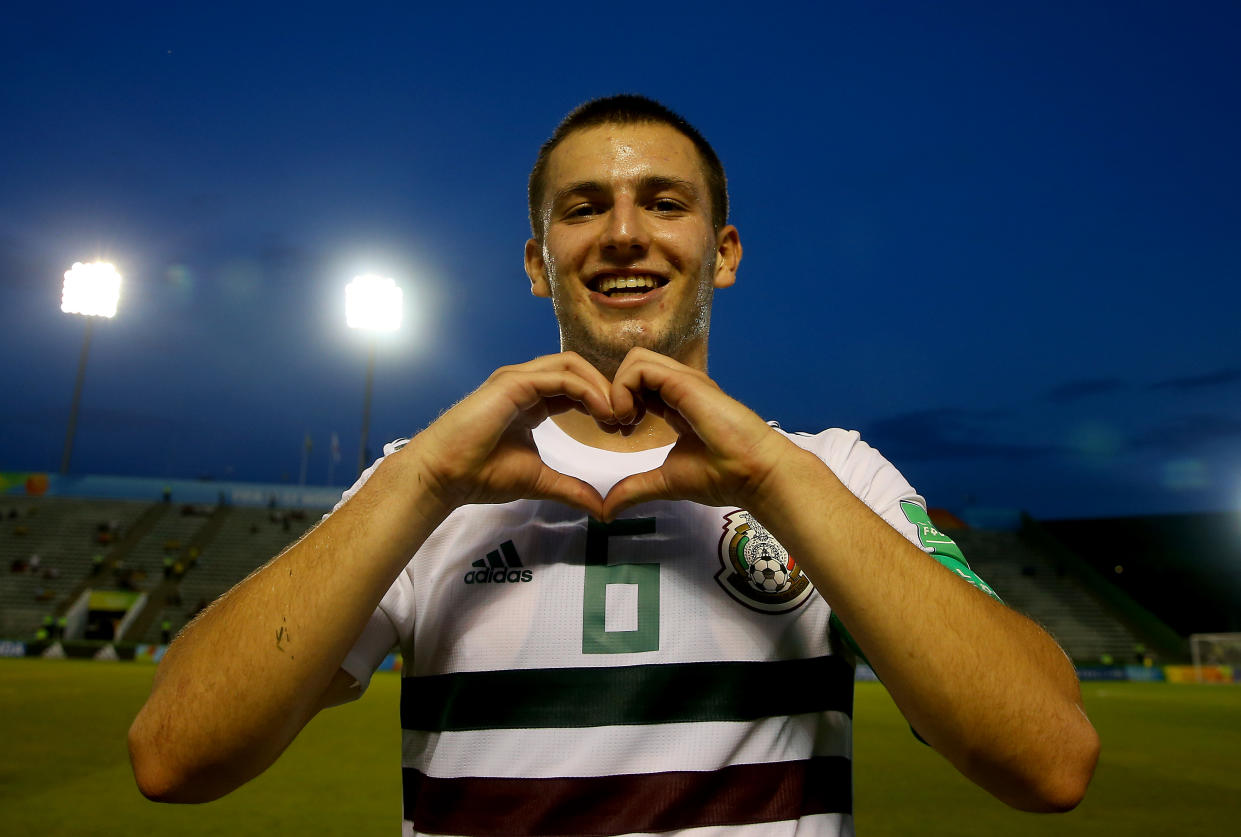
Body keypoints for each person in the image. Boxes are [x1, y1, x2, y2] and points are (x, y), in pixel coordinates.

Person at [128, 95, 1099, 834]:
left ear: (721, 252)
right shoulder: (424, 480)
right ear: (536, 262)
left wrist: (773, 480)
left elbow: (1047, 762)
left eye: (661, 203)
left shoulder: (830, 470)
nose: (624, 233)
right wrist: (420, 480)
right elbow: (175, 757)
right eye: (584, 208)